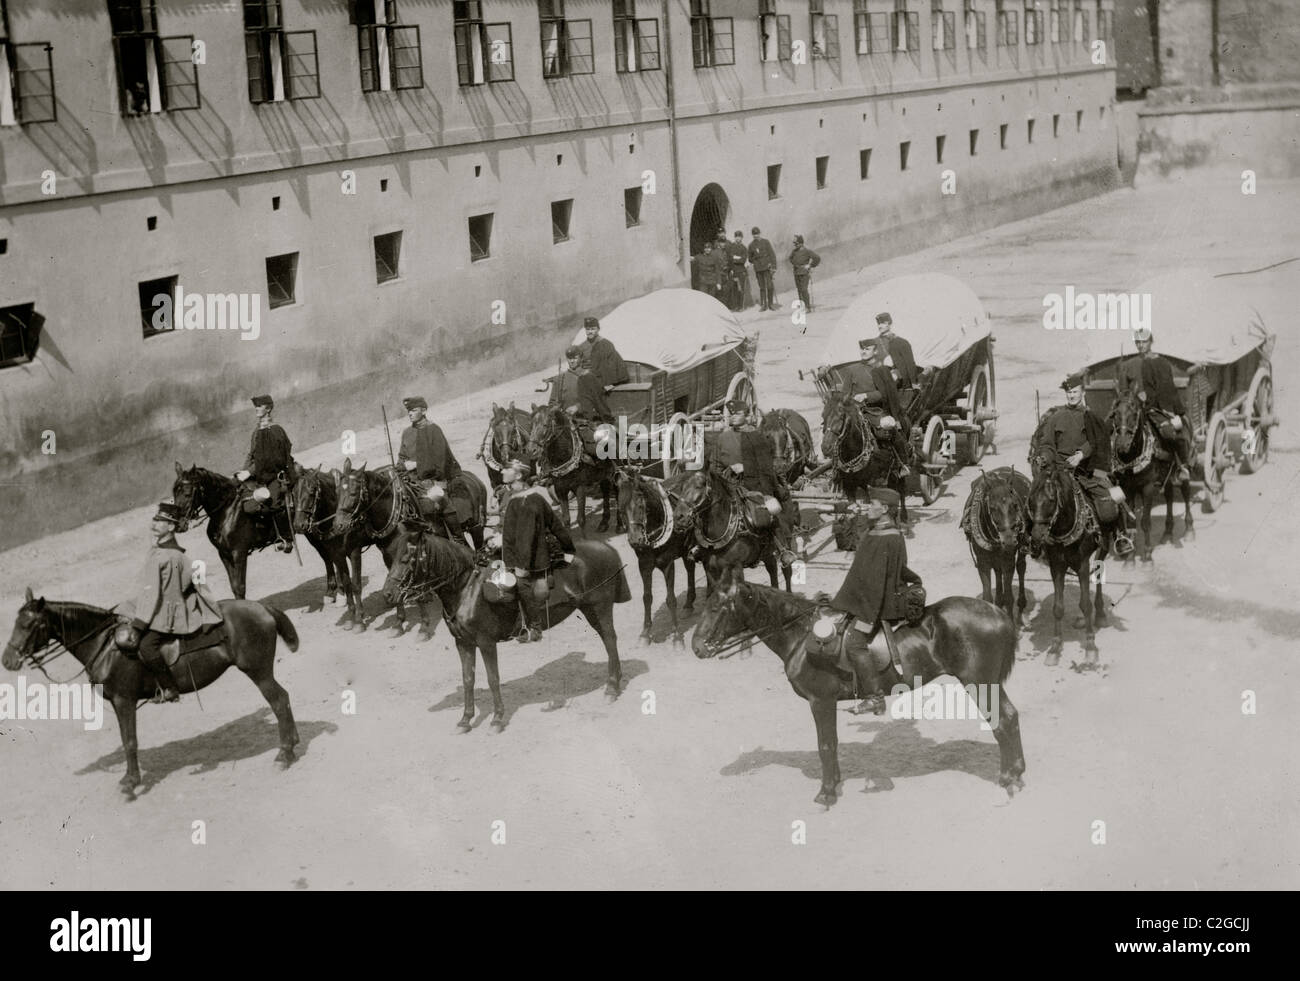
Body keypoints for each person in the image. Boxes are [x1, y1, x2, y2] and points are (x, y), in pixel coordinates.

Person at [829, 488, 921, 716]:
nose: (868, 507)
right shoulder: (881, 531)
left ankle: (874, 697)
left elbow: (877, 583)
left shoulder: (886, 537)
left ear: (885, 509)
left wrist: (867, 617)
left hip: (878, 604)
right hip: (869, 598)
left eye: (873, 504)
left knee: (854, 643)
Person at [126, 502, 225, 703]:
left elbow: (153, 594)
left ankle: (169, 688)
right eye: (155, 520)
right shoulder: (164, 552)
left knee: (146, 645)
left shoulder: (165, 556)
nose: (154, 524)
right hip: (164, 606)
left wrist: (139, 623)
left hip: (169, 613)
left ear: (171, 527)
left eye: (160, 522)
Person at [1029, 373, 1134, 558]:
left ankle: (1121, 534)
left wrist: (1081, 454)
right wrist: (1044, 457)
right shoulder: (1056, 417)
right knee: (1035, 497)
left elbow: (1098, 441)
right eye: (1069, 392)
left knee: (1114, 490)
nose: (1072, 396)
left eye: (1075, 392)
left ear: (1082, 392)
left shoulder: (1090, 416)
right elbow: (1047, 445)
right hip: (1060, 472)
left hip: (1089, 470)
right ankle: (1032, 540)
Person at [708, 410, 800, 567]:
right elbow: (715, 465)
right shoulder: (723, 438)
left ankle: (782, 549)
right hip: (729, 485)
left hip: (755, 485)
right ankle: (701, 544)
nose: (733, 416)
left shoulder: (757, 437)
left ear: (746, 416)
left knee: (771, 508)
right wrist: (726, 473)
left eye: (737, 413)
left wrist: (745, 468)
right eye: (731, 414)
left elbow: (766, 466)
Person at [499, 461, 575, 642]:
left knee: (519, 584)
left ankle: (534, 627)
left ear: (518, 476)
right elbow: (556, 525)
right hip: (519, 552)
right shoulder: (531, 497)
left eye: (507, 469)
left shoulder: (524, 502)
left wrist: (521, 566)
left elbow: (526, 537)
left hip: (527, 558)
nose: (502, 471)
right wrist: (569, 548)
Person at [1118, 326, 1193, 483]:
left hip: (1156, 409)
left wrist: (1178, 412)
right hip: (1134, 410)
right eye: (1137, 342)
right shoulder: (1128, 365)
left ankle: (1180, 466)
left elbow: (1168, 389)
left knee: (1172, 434)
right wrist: (1134, 398)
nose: (1140, 345)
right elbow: (1124, 393)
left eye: (1144, 342)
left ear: (1150, 342)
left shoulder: (1161, 362)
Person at [397, 396, 466, 541]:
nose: (410, 413)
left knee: (442, 503)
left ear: (423, 410)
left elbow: (440, 461)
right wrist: (402, 466)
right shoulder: (406, 433)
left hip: (434, 479)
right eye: (408, 411)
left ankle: (458, 539)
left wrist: (416, 464)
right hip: (412, 483)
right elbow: (401, 459)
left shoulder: (434, 430)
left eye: (413, 410)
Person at [236, 394, 296, 553]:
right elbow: (252, 455)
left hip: (275, 475)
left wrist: (249, 472)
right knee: (244, 500)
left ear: (268, 408)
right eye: (255, 406)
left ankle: (285, 538)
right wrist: (243, 473)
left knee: (274, 503)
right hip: (259, 474)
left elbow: (269, 459)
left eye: (259, 406)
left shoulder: (276, 430)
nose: (256, 409)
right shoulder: (256, 431)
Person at [550, 346, 613, 463]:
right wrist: (556, 409)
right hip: (564, 425)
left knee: (597, 451)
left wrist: (577, 407)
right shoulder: (560, 378)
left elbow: (597, 400)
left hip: (584, 422)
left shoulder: (588, 376)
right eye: (569, 358)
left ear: (580, 358)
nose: (572, 361)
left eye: (575, 357)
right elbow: (552, 402)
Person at [578, 317, 630, 393]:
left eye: (593, 329)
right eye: (588, 329)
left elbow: (612, 365)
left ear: (598, 329)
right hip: (588, 381)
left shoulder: (606, 344)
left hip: (604, 382)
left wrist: (609, 383)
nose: (590, 332)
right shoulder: (582, 347)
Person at [876, 312, 918, 391]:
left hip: (902, 381)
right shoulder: (875, 343)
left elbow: (910, 363)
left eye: (883, 323)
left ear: (890, 324)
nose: (880, 326)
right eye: (878, 323)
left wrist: (913, 383)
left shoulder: (901, 342)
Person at [748, 226, 778, 311]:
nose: (756, 236)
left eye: (757, 234)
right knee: (762, 287)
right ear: (752, 235)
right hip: (758, 269)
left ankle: (770, 304)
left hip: (767, 267)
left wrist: (774, 266)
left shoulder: (766, 242)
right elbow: (750, 258)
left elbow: (772, 254)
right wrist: (756, 261)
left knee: (769, 286)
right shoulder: (751, 245)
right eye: (754, 234)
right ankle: (764, 305)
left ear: (759, 233)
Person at [789, 235, 821, 313]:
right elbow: (790, 258)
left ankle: (808, 307)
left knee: (804, 289)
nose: (795, 245)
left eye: (796, 243)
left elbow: (817, 258)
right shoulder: (794, 251)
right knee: (799, 290)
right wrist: (795, 265)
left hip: (804, 273)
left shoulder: (807, 251)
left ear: (801, 243)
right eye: (794, 243)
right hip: (796, 273)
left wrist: (810, 265)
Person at [725, 230, 751, 312]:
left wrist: (735, 258)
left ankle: (741, 306)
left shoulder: (743, 248)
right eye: (736, 237)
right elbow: (729, 258)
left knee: (741, 289)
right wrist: (737, 258)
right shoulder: (731, 246)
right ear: (734, 237)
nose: (738, 238)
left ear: (742, 238)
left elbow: (743, 260)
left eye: (739, 237)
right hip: (733, 270)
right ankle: (735, 306)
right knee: (734, 289)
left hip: (741, 271)